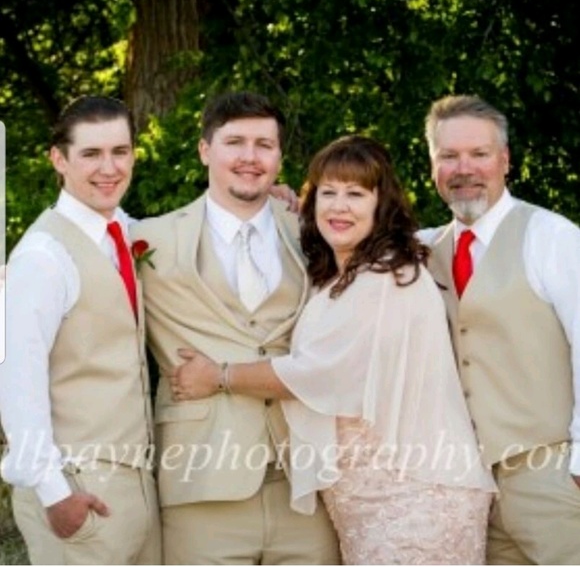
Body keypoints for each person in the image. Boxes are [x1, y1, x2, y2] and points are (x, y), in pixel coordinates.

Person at [169, 134, 496, 564]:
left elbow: (319, 373)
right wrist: (277, 203)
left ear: (381, 205)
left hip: (416, 497)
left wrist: (220, 376)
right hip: (365, 501)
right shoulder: (340, 276)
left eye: (355, 194)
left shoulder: (388, 276)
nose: (339, 206)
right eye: (328, 193)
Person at [131, 90, 339, 564]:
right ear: (205, 150)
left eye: (264, 145)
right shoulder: (147, 238)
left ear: (279, 158)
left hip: (304, 482)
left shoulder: (316, 230)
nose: (250, 157)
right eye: (235, 142)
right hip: (201, 481)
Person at [418, 94, 580, 564]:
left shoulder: (550, 236)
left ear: (505, 160)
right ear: (433, 166)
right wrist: (285, 202)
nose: (464, 168)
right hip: (474, 495)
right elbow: (342, 231)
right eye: (449, 156)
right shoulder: (424, 250)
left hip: (553, 479)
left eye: (479, 154)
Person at [0, 96, 161, 564]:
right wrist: (54, 493)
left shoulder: (123, 232)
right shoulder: (43, 257)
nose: (109, 168)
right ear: (59, 159)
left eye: (120, 151)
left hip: (136, 486)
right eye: (91, 153)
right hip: (76, 493)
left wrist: (273, 200)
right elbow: (17, 380)